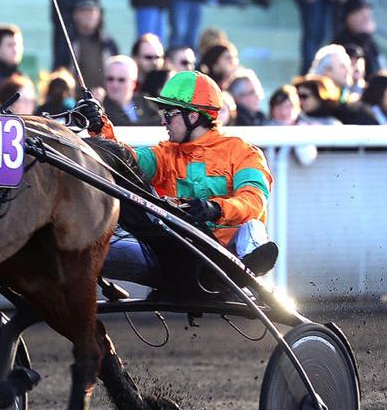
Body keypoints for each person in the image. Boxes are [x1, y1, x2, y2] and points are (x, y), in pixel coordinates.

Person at [78, 70, 279, 292]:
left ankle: (242, 275)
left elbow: (253, 202)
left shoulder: (244, 153)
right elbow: (124, 162)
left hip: (225, 254)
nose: (163, 119)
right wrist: (99, 127)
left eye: (169, 113)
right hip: (178, 256)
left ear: (192, 116)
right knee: (85, 249)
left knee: (253, 226)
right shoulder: (164, 154)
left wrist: (214, 208)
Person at [69, 0, 119, 90]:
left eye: (92, 12)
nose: (89, 16)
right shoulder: (69, 42)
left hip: (106, 99)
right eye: (85, 12)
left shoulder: (108, 43)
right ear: (75, 15)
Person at [101, 54, 158, 125]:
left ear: (133, 83)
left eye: (121, 80)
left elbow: (161, 121)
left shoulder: (143, 101)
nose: (115, 85)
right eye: (110, 79)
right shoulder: (101, 108)